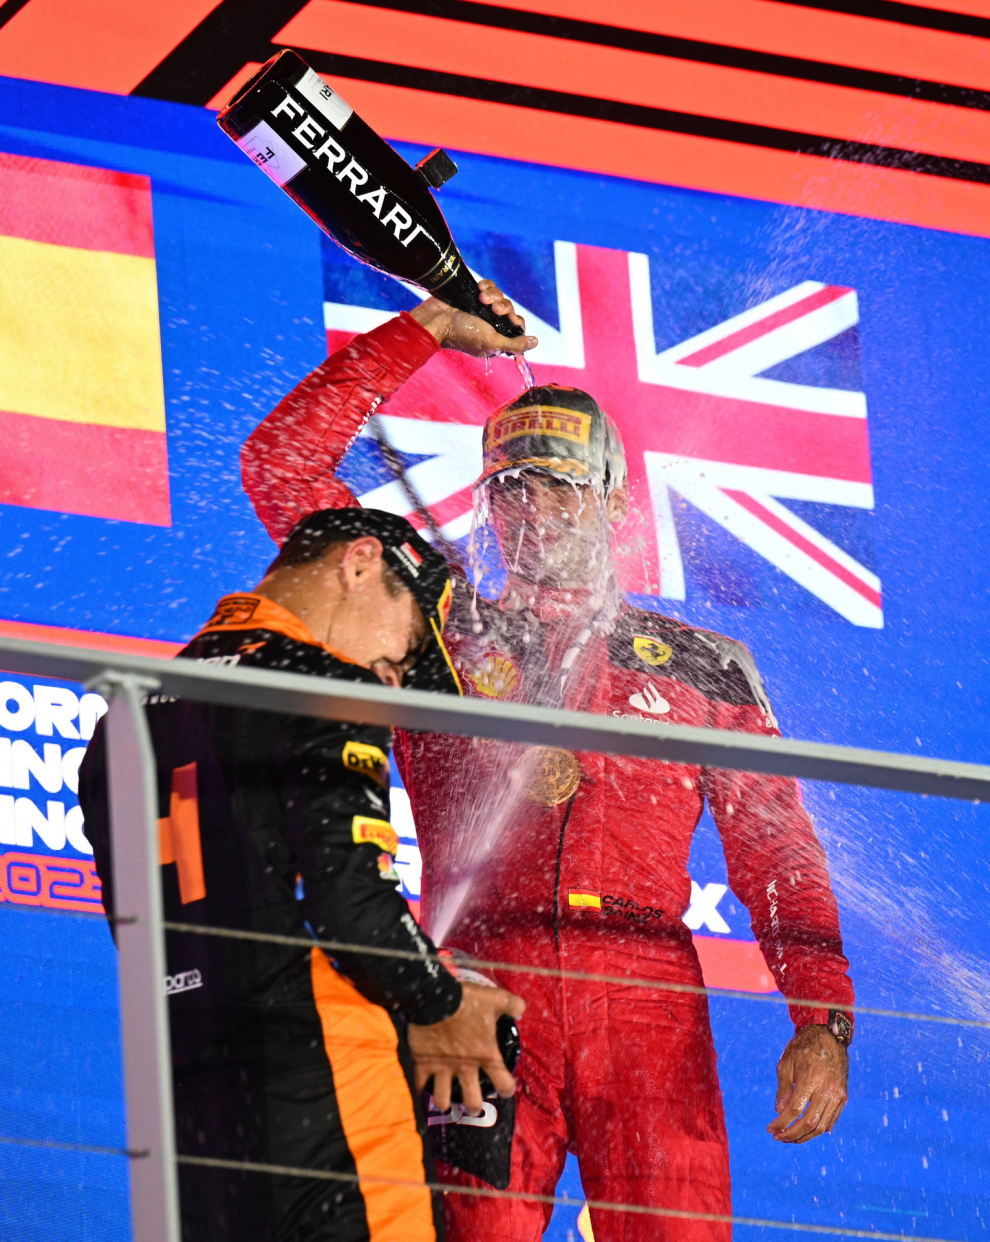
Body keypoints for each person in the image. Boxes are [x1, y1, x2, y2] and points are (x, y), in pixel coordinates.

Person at [240, 283, 855, 1242]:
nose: (534, 507)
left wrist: (822, 1018)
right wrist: (429, 331)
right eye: (511, 485)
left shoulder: (704, 664)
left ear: (613, 502)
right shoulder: (440, 625)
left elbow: (778, 853)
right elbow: (282, 467)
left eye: (561, 484)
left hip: (649, 1000)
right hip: (477, 986)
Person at [78, 506, 525, 1242]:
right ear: (359, 562)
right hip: (329, 1085)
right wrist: (444, 1005)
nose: (395, 674)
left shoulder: (125, 713)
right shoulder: (322, 681)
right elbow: (350, 899)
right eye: (408, 642)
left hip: (188, 1096)